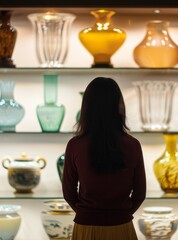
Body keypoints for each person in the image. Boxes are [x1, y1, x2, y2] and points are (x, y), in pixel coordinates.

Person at [62, 77, 147, 240]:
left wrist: (86, 213)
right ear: (118, 106)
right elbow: (140, 193)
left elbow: (68, 193)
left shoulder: (75, 145)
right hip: (121, 226)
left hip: (86, 227)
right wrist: (120, 214)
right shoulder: (133, 145)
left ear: (86, 108)